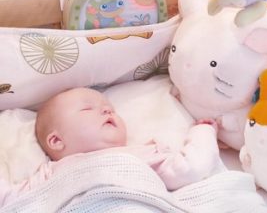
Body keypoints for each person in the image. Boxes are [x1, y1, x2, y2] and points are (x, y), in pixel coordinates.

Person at [0, 87, 225, 207]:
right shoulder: (49, 175)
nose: (107, 111)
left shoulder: (139, 155)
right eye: (88, 109)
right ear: (57, 141)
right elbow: (11, 201)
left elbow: (191, 167)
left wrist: (203, 132)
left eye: (109, 108)